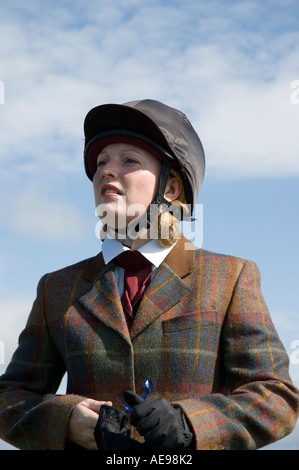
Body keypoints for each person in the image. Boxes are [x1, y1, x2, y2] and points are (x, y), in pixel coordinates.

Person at [0, 99, 298, 451]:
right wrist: (68, 420)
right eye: (101, 162)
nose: (107, 171)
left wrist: (191, 424)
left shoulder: (231, 277)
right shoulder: (56, 288)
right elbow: (9, 399)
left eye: (129, 160)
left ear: (170, 188)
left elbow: (277, 398)